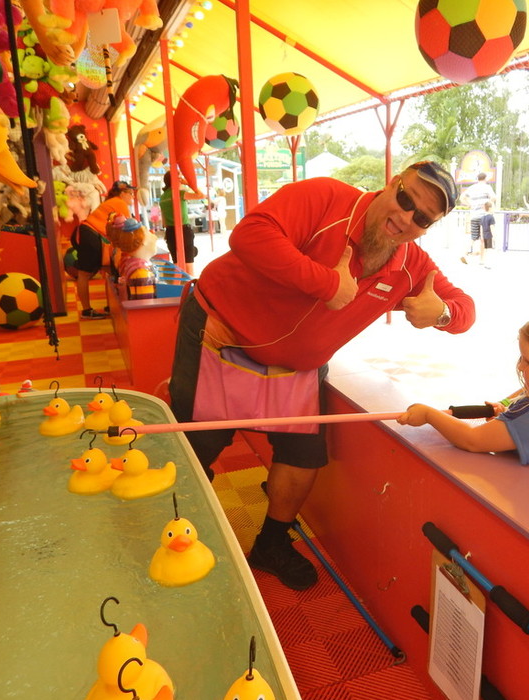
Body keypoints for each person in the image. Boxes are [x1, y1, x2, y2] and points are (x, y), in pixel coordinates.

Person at [169, 161, 475, 591]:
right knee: (195, 443)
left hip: (297, 367)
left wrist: (440, 314)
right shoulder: (326, 198)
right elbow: (249, 235)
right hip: (221, 332)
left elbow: (465, 309)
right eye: (406, 200)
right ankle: (169, 530)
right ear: (392, 184)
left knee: (302, 455)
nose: (406, 218)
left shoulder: (411, 266)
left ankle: (271, 544)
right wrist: (328, 285)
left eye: (422, 218)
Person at [397, 310, 529, 488]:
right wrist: (508, 420)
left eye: (527, 361)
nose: (520, 366)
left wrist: (428, 414)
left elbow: (472, 440)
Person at [73, 180, 135, 319]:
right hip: (91, 234)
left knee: (108, 269)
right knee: (84, 273)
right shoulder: (119, 203)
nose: (133, 197)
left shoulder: (113, 202)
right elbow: (129, 228)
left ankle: (109, 306)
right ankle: (87, 310)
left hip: (91, 234)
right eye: (131, 193)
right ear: (123, 193)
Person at [159, 171, 197, 276]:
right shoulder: (180, 194)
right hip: (184, 230)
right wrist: (188, 183)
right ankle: (190, 289)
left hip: (170, 231)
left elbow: (164, 221)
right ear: (175, 181)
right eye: (179, 178)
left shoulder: (162, 198)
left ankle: (180, 288)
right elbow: (202, 195)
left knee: (177, 264)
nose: (181, 180)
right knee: (189, 264)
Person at [460, 172, 495, 264]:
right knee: (483, 238)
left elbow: (461, 198)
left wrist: (470, 204)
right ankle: (482, 260)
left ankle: (464, 254)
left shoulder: (471, 188)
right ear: (485, 178)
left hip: (474, 215)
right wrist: (488, 203)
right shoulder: (487, 187)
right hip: (484, 216)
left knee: (473, 237)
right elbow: (493, 197)